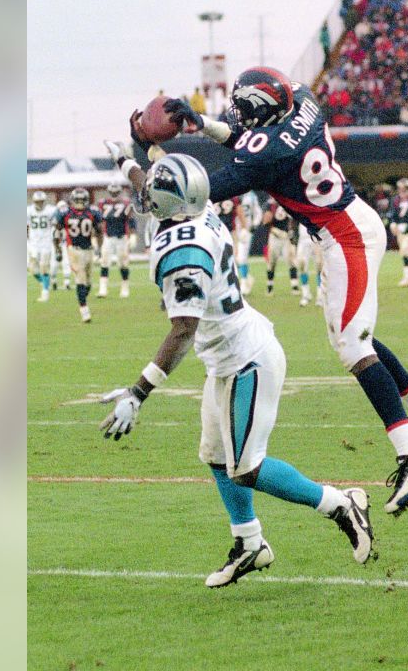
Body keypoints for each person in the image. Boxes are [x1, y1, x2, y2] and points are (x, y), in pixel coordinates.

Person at [152, 66, 408, 515]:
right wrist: (203, 126)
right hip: (345, 225)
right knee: (353, 335)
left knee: (352, 345)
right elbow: (249, 137)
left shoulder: (265, 153)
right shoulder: (302, 97)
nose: (237, 117)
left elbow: (196, 192)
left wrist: (152, 156)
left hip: (345, 236)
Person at [98, 145, 374, 588]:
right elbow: (151, 187)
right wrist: (124, 162)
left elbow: (183, 330)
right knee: (215, 454)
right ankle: (250, 543)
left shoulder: (185, 253)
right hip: (227, 357)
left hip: (246, 359)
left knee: (246, 465)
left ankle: (341, 503)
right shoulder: (196, 206)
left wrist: (138, 392)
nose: (147, 193)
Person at [54, 188, 102, 322]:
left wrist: (99, 247)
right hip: (73, 250)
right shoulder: (65, 213)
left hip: (88, 249)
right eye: (78, 200)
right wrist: (58, 249)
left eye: (82, 200)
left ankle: (82, 300)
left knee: (88, 283)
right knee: (80, 279)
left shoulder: (92, 212)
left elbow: (99, 231)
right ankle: (84, 310)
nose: (80, 203)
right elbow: (56, 232)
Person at [96, 183, 133, 298]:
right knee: (104, 262)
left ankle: (125, 288)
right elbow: (99, 221)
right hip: (108, 236)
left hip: (121, 237)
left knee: (123, 263)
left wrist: (132, 235)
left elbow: (130, 220)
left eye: (116, 192)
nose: (114, 194)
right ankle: (103, 289)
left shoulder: (126, 203)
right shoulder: (103, 203)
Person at [262, 200, 298, 296]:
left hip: (286, 236)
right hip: (275, 236)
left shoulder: (287, 200)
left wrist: (291, 232)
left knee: (291, 260)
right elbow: (265, 222)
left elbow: (292, 219)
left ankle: (295, 286)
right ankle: (270, 287)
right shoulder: (270, 204)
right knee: (272, 262)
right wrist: (273, 229)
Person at [27, 190, 58, 301]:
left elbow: (57, 222)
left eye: (41, 201)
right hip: (34, 243)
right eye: (38, 201)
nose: (40, 203)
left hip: (46, 243)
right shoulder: (28, 211)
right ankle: (45, 283)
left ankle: (45, 292)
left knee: (44, 268)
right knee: (32, 269)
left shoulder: (50, 210)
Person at [388, 178, 408, 287]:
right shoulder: (395, 200)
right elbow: (392, 215)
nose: (402, 192)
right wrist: (393, 224)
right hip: (400, 230)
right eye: (400, 189)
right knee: (404, 253)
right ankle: (407, 278)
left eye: (405, 190)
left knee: (406, 250)